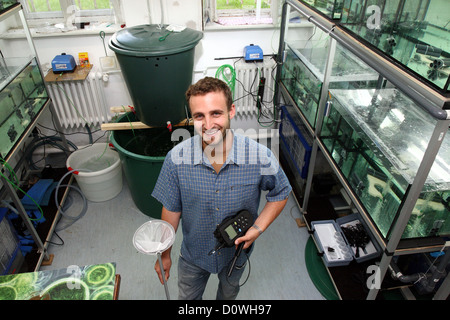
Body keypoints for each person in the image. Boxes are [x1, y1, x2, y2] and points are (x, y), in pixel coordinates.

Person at [151, 77, 291, 300]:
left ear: (231, 111)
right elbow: (171, 209)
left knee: (228, 294)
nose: (208, 125)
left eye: (216, 113)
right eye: (199, 116)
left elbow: (281, 193)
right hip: (193, 255)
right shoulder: (175, 159)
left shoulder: (258, 156)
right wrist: (165, 253)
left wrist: (257, 228)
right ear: (192, 118)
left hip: (235, 254)